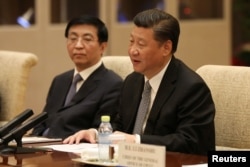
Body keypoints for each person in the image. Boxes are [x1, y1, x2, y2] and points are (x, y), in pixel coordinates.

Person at [63, 9, 215, 155]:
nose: (132, 51)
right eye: (131, 42)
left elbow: (191, 142)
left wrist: (137, 141)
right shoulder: (133, 81)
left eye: (141, 44)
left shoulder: (191, 88)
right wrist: (96, 133)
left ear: (166, 48)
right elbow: (120, 126)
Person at [31, 15, 123, 139]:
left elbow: (101, 130)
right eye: (73, 38)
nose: (78, 45)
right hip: (43, 148)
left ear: (103, 46)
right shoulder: (60, 80)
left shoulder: (113, 84)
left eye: (87, 39)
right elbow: (42, 122)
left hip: (74, 152)